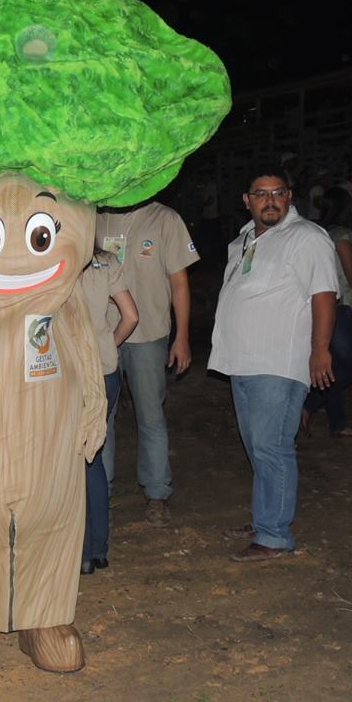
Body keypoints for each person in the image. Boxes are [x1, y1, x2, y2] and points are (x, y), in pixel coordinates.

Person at [208, 166, 337, 562]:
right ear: (247, 201)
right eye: (260, 194)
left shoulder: (307, 238)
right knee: (256, 446)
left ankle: (274, 535)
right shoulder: (244, 239)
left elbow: (324, 295)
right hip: (241, 362)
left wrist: (320, 350)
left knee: (272, 447)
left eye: (277, 192)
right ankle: (266, 519)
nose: (269, 200)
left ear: (290, 196)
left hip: (278, 361)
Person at [95, 199, 198, 527]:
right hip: (103, 333)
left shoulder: (165, 218)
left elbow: (180, 282)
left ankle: (157, 493)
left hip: (150, 332)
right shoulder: (98, 217)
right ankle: (101, 492)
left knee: (151, 415)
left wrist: (182, 336)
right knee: (100, 416)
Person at [301, 187, 352, 437]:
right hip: (340, 305)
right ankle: (309, 404)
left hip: (319, 305)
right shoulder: (341, 235)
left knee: (330, 366)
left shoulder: (318, 232)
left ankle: (338, 423)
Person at [79, 249, 138, 574]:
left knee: (72, 462)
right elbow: (131, 316)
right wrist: (107, 346)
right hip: (105, 371)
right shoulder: (106, 260)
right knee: (93, 459)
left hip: (71, 375)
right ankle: (98, 550)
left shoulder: (56, 257)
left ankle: (81, 552)